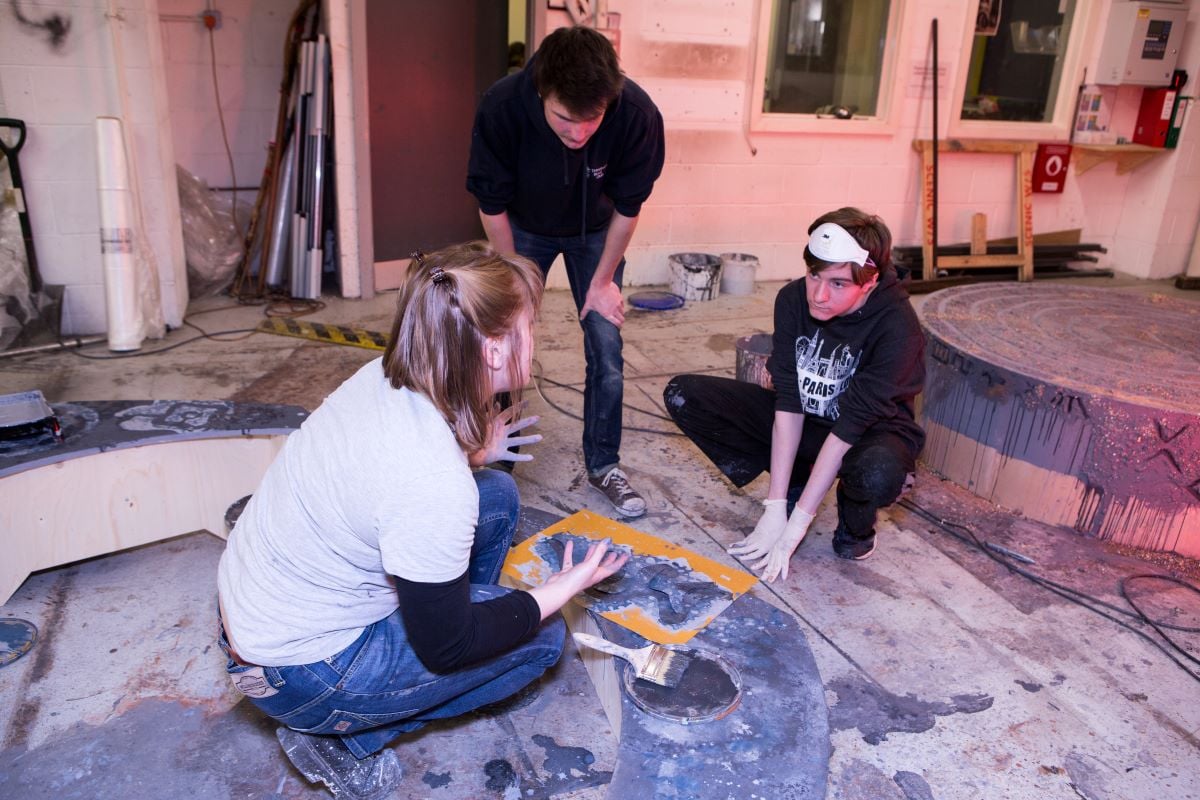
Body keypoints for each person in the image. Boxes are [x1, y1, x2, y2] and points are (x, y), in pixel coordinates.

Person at [216, 241, 628, 800]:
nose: (538, 338)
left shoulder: (385, 377)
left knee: (499, 493)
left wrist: (476, 454)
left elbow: (397, 482)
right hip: (302, 673)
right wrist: (562, 587)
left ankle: (455, 611)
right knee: (542, 640)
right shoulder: (432, 482)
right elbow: (446, 648)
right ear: (490, 349)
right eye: (529, 325)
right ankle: (340, 739)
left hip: (262, 612)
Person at [467, 25, 666, 519]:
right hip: (523, 228)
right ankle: (498, 458)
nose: (578, 134)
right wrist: (513, 275)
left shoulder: (636, 114)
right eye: (564, 119)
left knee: (606, 343)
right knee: (505, 342)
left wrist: (602, 283)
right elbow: (490, 205)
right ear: (541, 90)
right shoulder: (502, 106)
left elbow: (628, 206)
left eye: (591, 120)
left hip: (597, 232)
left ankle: (604, 465)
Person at [663, 209, 925, 581]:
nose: (818, 295)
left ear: (868, 283)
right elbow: (788, 401)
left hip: (869, 433)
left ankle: (855, 525)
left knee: (876, 472)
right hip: (813, 421)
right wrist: (775, 506)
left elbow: (849, 427)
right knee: (685, 395)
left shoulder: (898, 328)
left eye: (837, 284)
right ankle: (797, 481)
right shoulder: (791, 300)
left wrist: (799, 523)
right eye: (813, 275)